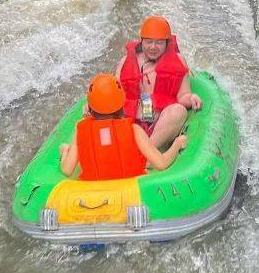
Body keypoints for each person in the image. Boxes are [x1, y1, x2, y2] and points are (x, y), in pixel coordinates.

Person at [60, 74, 187, 180]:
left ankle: (66, 149)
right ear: (122, 106)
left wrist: (65, 152)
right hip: (131, 190)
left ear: (89, 107)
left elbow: (67, 170)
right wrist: (177, 144)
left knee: (69, 149)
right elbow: (161, 163)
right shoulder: (134, 130)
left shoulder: (80, 131)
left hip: (94, 193)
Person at [115, 15, 201, 148]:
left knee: (179, 111)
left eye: (159, 42)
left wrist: (191, 98)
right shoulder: (126, 61)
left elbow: (183, 95)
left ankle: (147, 152)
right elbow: (114, 94)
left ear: (167, 43)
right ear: (141, 41)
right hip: (131, 122)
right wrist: (94, 106)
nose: (153, 47)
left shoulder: (178, 61)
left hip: (159, 123)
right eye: (148, 42)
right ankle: (128, 148)